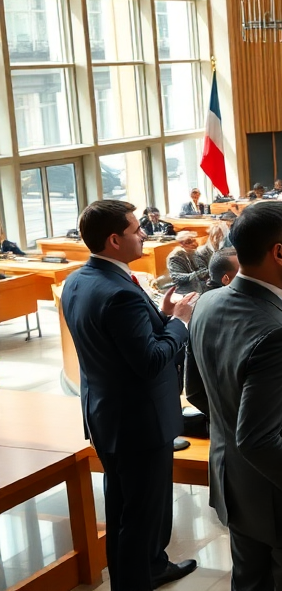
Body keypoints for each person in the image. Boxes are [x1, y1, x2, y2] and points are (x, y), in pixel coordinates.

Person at [184, 200, 282, 591]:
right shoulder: (278, 331)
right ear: (278, 252)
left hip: (238, 488)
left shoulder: (206, 302)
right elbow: (256, 437)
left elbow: (197, 392)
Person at [62, 200, 200, 590]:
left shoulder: (79, 280)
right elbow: (152, 359)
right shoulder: (119, 292)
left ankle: (152, 566)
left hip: (106, 416)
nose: (144, 234)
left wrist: (160, 314)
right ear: (113, 240)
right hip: (140, 423)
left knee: (123, 507)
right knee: (140, 517)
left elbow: (115, 343)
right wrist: (178, 323)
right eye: (136, 229)